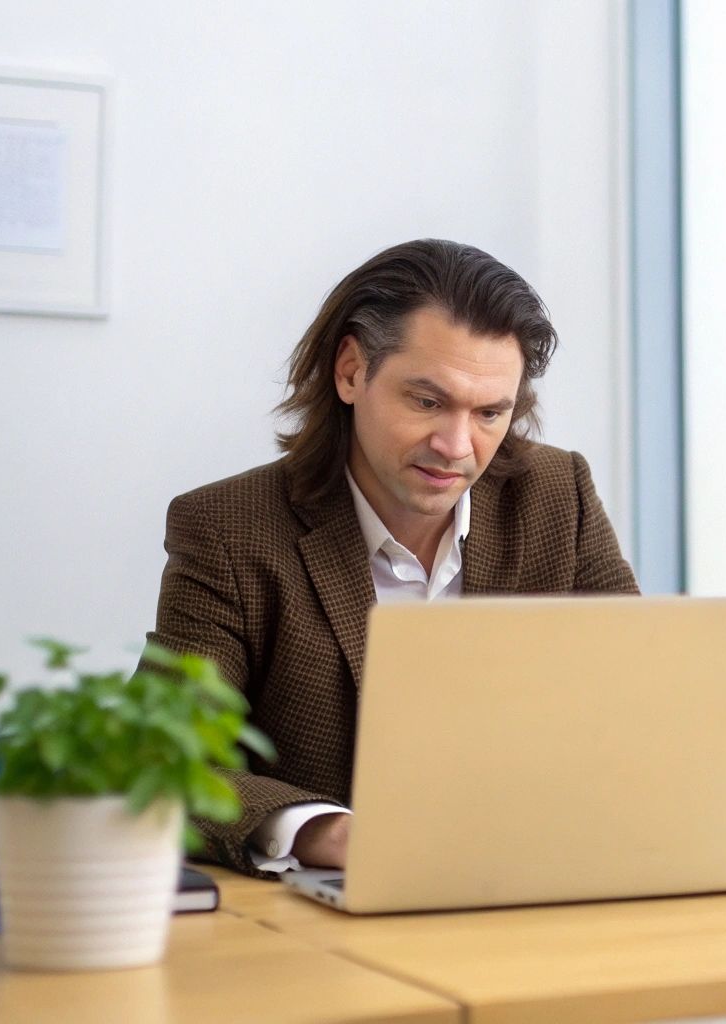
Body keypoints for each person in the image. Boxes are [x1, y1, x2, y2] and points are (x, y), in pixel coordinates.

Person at [146, 239, 638, 877]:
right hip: (338, 918)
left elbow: (636, 706)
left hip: (536, 879)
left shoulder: (555, 495)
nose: (456, 446)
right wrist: (331, 834)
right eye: (427, 402)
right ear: (351, 370)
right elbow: (162, 760)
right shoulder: (229, 530)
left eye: (491, 412)